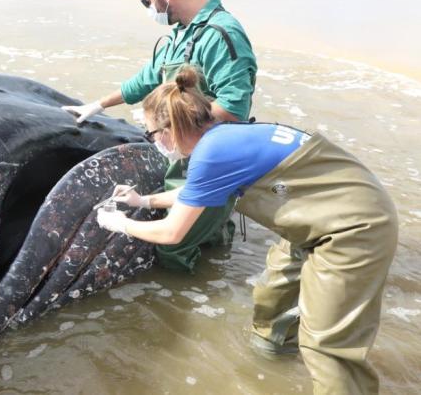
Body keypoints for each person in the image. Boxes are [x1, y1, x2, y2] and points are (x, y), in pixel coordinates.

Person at [96, 68, 398, 395]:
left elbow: (172, 233)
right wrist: (144, 200)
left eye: (151, 133)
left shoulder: (212, 153)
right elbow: (196, 193)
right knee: (272, 296)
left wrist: (121, 224)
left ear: (171, 128)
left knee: (328, 345)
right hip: (324, 210)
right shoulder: (223, 137)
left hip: (354, 227)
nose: (153, 141)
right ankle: (270, 365)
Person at [63, 0, 258, 272]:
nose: (149, 10)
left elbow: (234, 109)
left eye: (146, 3)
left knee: (174, 247)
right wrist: (97, 105)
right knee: (199, 229)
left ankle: (198, 300)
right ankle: (217, 250)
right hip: (181, 152)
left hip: (210, 156)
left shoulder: (222, 34)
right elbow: (144, 81)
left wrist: (171, 120)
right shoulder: (178, 35)